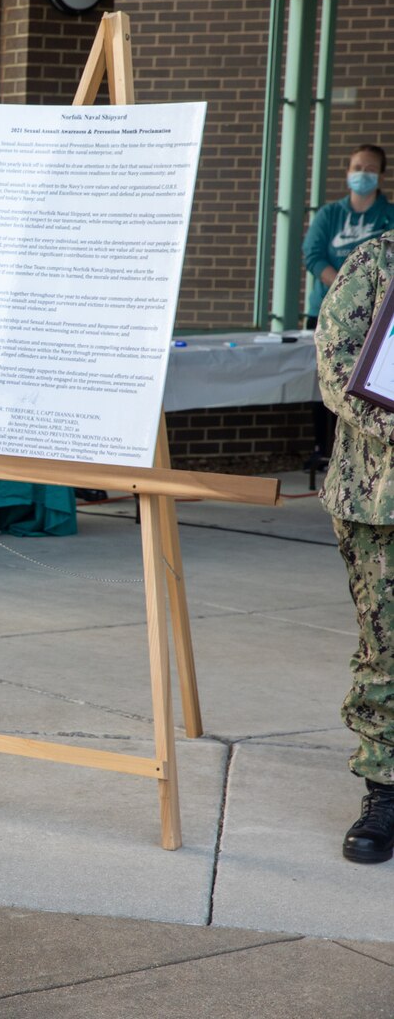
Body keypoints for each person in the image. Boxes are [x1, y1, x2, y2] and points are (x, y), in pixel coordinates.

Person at [313, 230, 394, 866]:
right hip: (381, 500)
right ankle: (386, 792)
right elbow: (340, 371)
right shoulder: (376, 260)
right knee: (387, 650)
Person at [304, 144, 394, 469]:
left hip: (375, 318)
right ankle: (322, 447)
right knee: (331, 381)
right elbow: (313, 255)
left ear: (381, 175)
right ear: (347, 171)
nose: (362, 174)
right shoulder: (330, 215)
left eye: (369, 169)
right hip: (329, 309)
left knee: (369, 388)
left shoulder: (389, 215)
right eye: (357, 167)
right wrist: (347, 290)